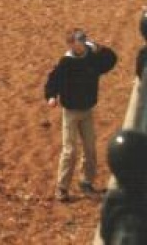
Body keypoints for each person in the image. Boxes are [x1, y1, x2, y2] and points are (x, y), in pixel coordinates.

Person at [44, 28, 117, 201]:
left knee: (90, 149)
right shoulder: (66, 62)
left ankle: (86, 182)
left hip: (87, 111)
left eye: (84, 40)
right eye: (79, 41)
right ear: (71, 44)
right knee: (70, 150)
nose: (83, 43)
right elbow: (53, 80)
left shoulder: (92, 57)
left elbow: (111, 60)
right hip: (70, 112)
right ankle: (62, 188)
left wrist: (100, 48)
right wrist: (51, 96)